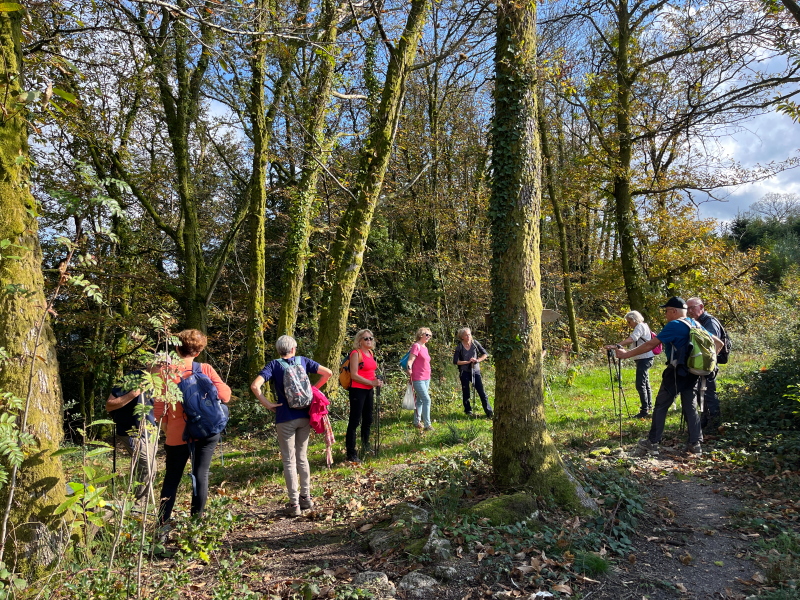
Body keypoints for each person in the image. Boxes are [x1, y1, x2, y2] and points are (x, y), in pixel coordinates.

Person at [614, 297, 722, 456]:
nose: (665, 314)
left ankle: (652, 443)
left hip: (677, 372)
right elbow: (719, 343)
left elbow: (651, 344)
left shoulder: (674, 325)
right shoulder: (695, 323)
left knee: (661, 405)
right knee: (690, 407)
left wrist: (626, 354)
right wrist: (706, 362)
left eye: (666, 311)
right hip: (693, 372)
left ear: (674, 311)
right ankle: (695, 444)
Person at [155, 330, 231, 526]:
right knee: (200, 475)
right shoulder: (205, 368)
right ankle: (196, 526)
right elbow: (225, 396)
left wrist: (167, 430)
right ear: (198, 352)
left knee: (171, 480)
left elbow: (159, 409)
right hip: (206, 431)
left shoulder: (165, 372)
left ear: (176, 348)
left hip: (177, 434)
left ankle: (162, 527)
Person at [250, 335, 332, 516]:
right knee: (302, 457)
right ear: (293, 349)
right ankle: (306, 497)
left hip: (284, 417)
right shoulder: (303, 361)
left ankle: (294, 504)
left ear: (278, 350)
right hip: (304, 415)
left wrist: (268, 404)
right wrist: (313, 390)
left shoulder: (273, 365)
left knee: (289, 460)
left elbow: (255, 386)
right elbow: (328, 373)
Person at [106, 360, 162, 501]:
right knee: (149, 467)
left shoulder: (164, 383)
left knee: (143, 468)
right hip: (131, 432)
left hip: (151, 432)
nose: (163, 368)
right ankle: (139, 505)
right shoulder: (131, 379)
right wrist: (132, 394)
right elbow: (109, 405)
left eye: (167, 365)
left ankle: (135, 501)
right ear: (149, 364)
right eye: (159, 364)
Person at [604, 311, 654, 419]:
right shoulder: (644, 326)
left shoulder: (640, 326)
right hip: (645, 358)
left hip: (644, 358)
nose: (628, 324)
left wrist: (616, 345)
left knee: (640, 384)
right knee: (645, 383)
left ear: (634, 319)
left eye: (629, 321)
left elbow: (632, 339)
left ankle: (645, 410)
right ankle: (648, 407)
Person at [345, 329, 383, 463]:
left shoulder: (370, 353)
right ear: (359, 341)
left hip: (369, 390)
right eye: (366, 338)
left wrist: (377, 380)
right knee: (355, 421)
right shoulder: (356, 353)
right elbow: (354, 375)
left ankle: (365, 446)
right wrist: (371, 382)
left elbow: (370, 371)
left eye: (371, 338)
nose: (369, 340)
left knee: (368, 419)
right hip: (357, 390)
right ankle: (351, 453)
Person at [686, 297, 724, 432]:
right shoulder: (697, 322)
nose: (690, 311)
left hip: (708, 365)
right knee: (700, 393)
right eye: (688, 308)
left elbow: (713, 344)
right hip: (700, 364)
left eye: (692, 307)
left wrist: (709, 364)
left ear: (701, 307)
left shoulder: (710, 322)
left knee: (708, 393)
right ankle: (705, 421)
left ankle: (715, 424)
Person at [452, 327, 493, 418]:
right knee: (466, 391)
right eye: (466, 335)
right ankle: (468, 411)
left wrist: (477, 360)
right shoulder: (459, 347)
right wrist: (467, 362)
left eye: (469, 334)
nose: (468, 336)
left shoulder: (475, 343)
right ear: (462, 337)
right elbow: (455, 361)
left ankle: (489, 412)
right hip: (464, 371)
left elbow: (485, 354)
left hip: (475, 370)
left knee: (481, 391)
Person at [405, 327, 434, 431]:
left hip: (426, 377)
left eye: (430, 335)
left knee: (420, 400)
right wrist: (409, 368)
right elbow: (410, 360)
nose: (429, 337)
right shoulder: (416, 346)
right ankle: (427, 425)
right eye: (427, 335)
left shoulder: (425, 347)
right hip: (418, 378)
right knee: (427, 400)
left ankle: (416, 422)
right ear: (421, 335)